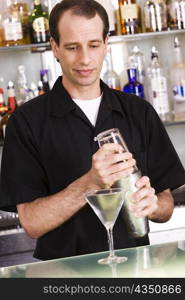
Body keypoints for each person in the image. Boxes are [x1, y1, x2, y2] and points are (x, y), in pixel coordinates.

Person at [0, 0, 185, 261]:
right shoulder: (26, 122)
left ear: (106, 44)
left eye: (94, 45)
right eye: (72, 47)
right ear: (55, 47)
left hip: (135, 269)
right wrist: (90, 183)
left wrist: (154, 205)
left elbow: (165, 204)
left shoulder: (139, 112)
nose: (85, 58)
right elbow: (31, 223)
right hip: (61, 276)